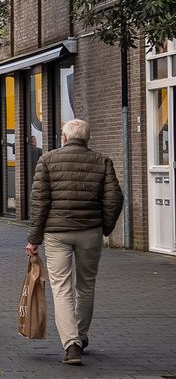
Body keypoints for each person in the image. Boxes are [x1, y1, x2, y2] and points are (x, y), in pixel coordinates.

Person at [25, 118, 123, 365]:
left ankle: (71, 345)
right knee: (86, 285)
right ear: (86, 139)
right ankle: (80, 334)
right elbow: (114, 199)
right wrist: (104, 228)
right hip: (90, 231)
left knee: (61, 287)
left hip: (57, 233)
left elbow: (40, 203)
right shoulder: (102, 161)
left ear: (65, 138)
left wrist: (34, 239)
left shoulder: (47, 160)